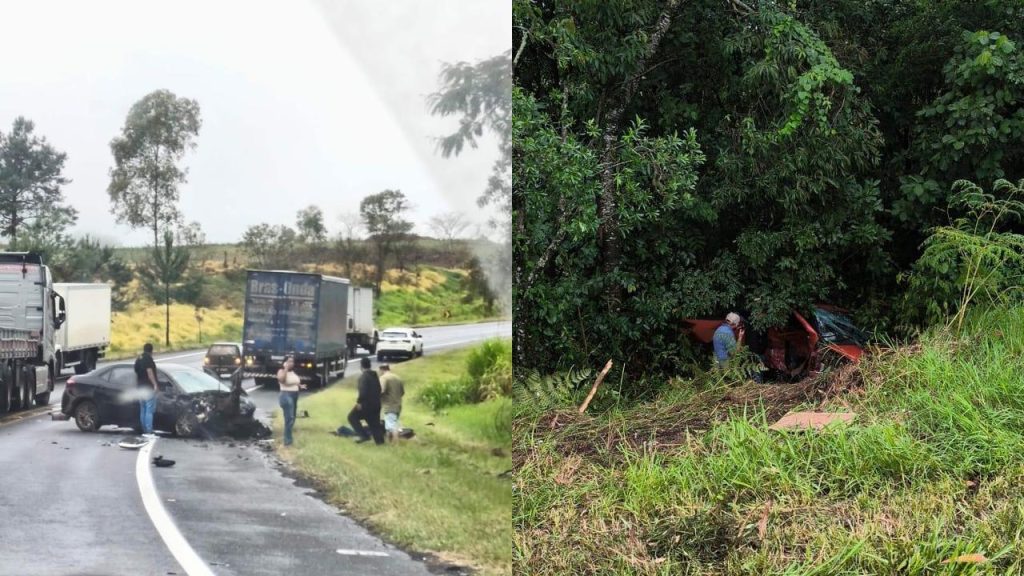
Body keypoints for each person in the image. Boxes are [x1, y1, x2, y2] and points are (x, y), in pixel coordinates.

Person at [348, 357, 385, 445]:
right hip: (376, 404)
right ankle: (380, 442)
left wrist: (359, 402)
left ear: (361, 366)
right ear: (370, 365)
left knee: (352, 417)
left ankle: (363, 436)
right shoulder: (374, 376)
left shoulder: (364, 377)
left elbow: (363, 392)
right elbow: (379, 389)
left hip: (366, 405)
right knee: (374, 424)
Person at [277, 355, 306, 446]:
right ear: (284, 363)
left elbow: (296, 382)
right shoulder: (281, 371)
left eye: (292, 361)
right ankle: (287, 441)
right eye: (289, 361)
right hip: (285, 395)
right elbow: (282, 380)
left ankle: (288, 437)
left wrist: (300, 386)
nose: (291, 363)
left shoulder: (293, 373)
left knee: (292, 417)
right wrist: (285, 368)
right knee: (289, 418)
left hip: (294, 395)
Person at [133, 343, 159, 438]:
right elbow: (149, 372)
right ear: (151, 351)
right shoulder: (148, 359)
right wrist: (155, 384)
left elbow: (136, 373)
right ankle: (149, 431)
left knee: (143, 409)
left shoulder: (138, 359)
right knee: (149, 410)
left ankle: (144, 429)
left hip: (140, 387)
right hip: (148, 387)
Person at [379, 364, 405, 442]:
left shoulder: (383, 378)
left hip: (389, 405)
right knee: (390, 425)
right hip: (398, 405)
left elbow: (381, 391)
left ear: (381, 370)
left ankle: (395, 444)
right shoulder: (398, 378)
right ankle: (388, 442)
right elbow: (402, 392)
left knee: (392, 426)